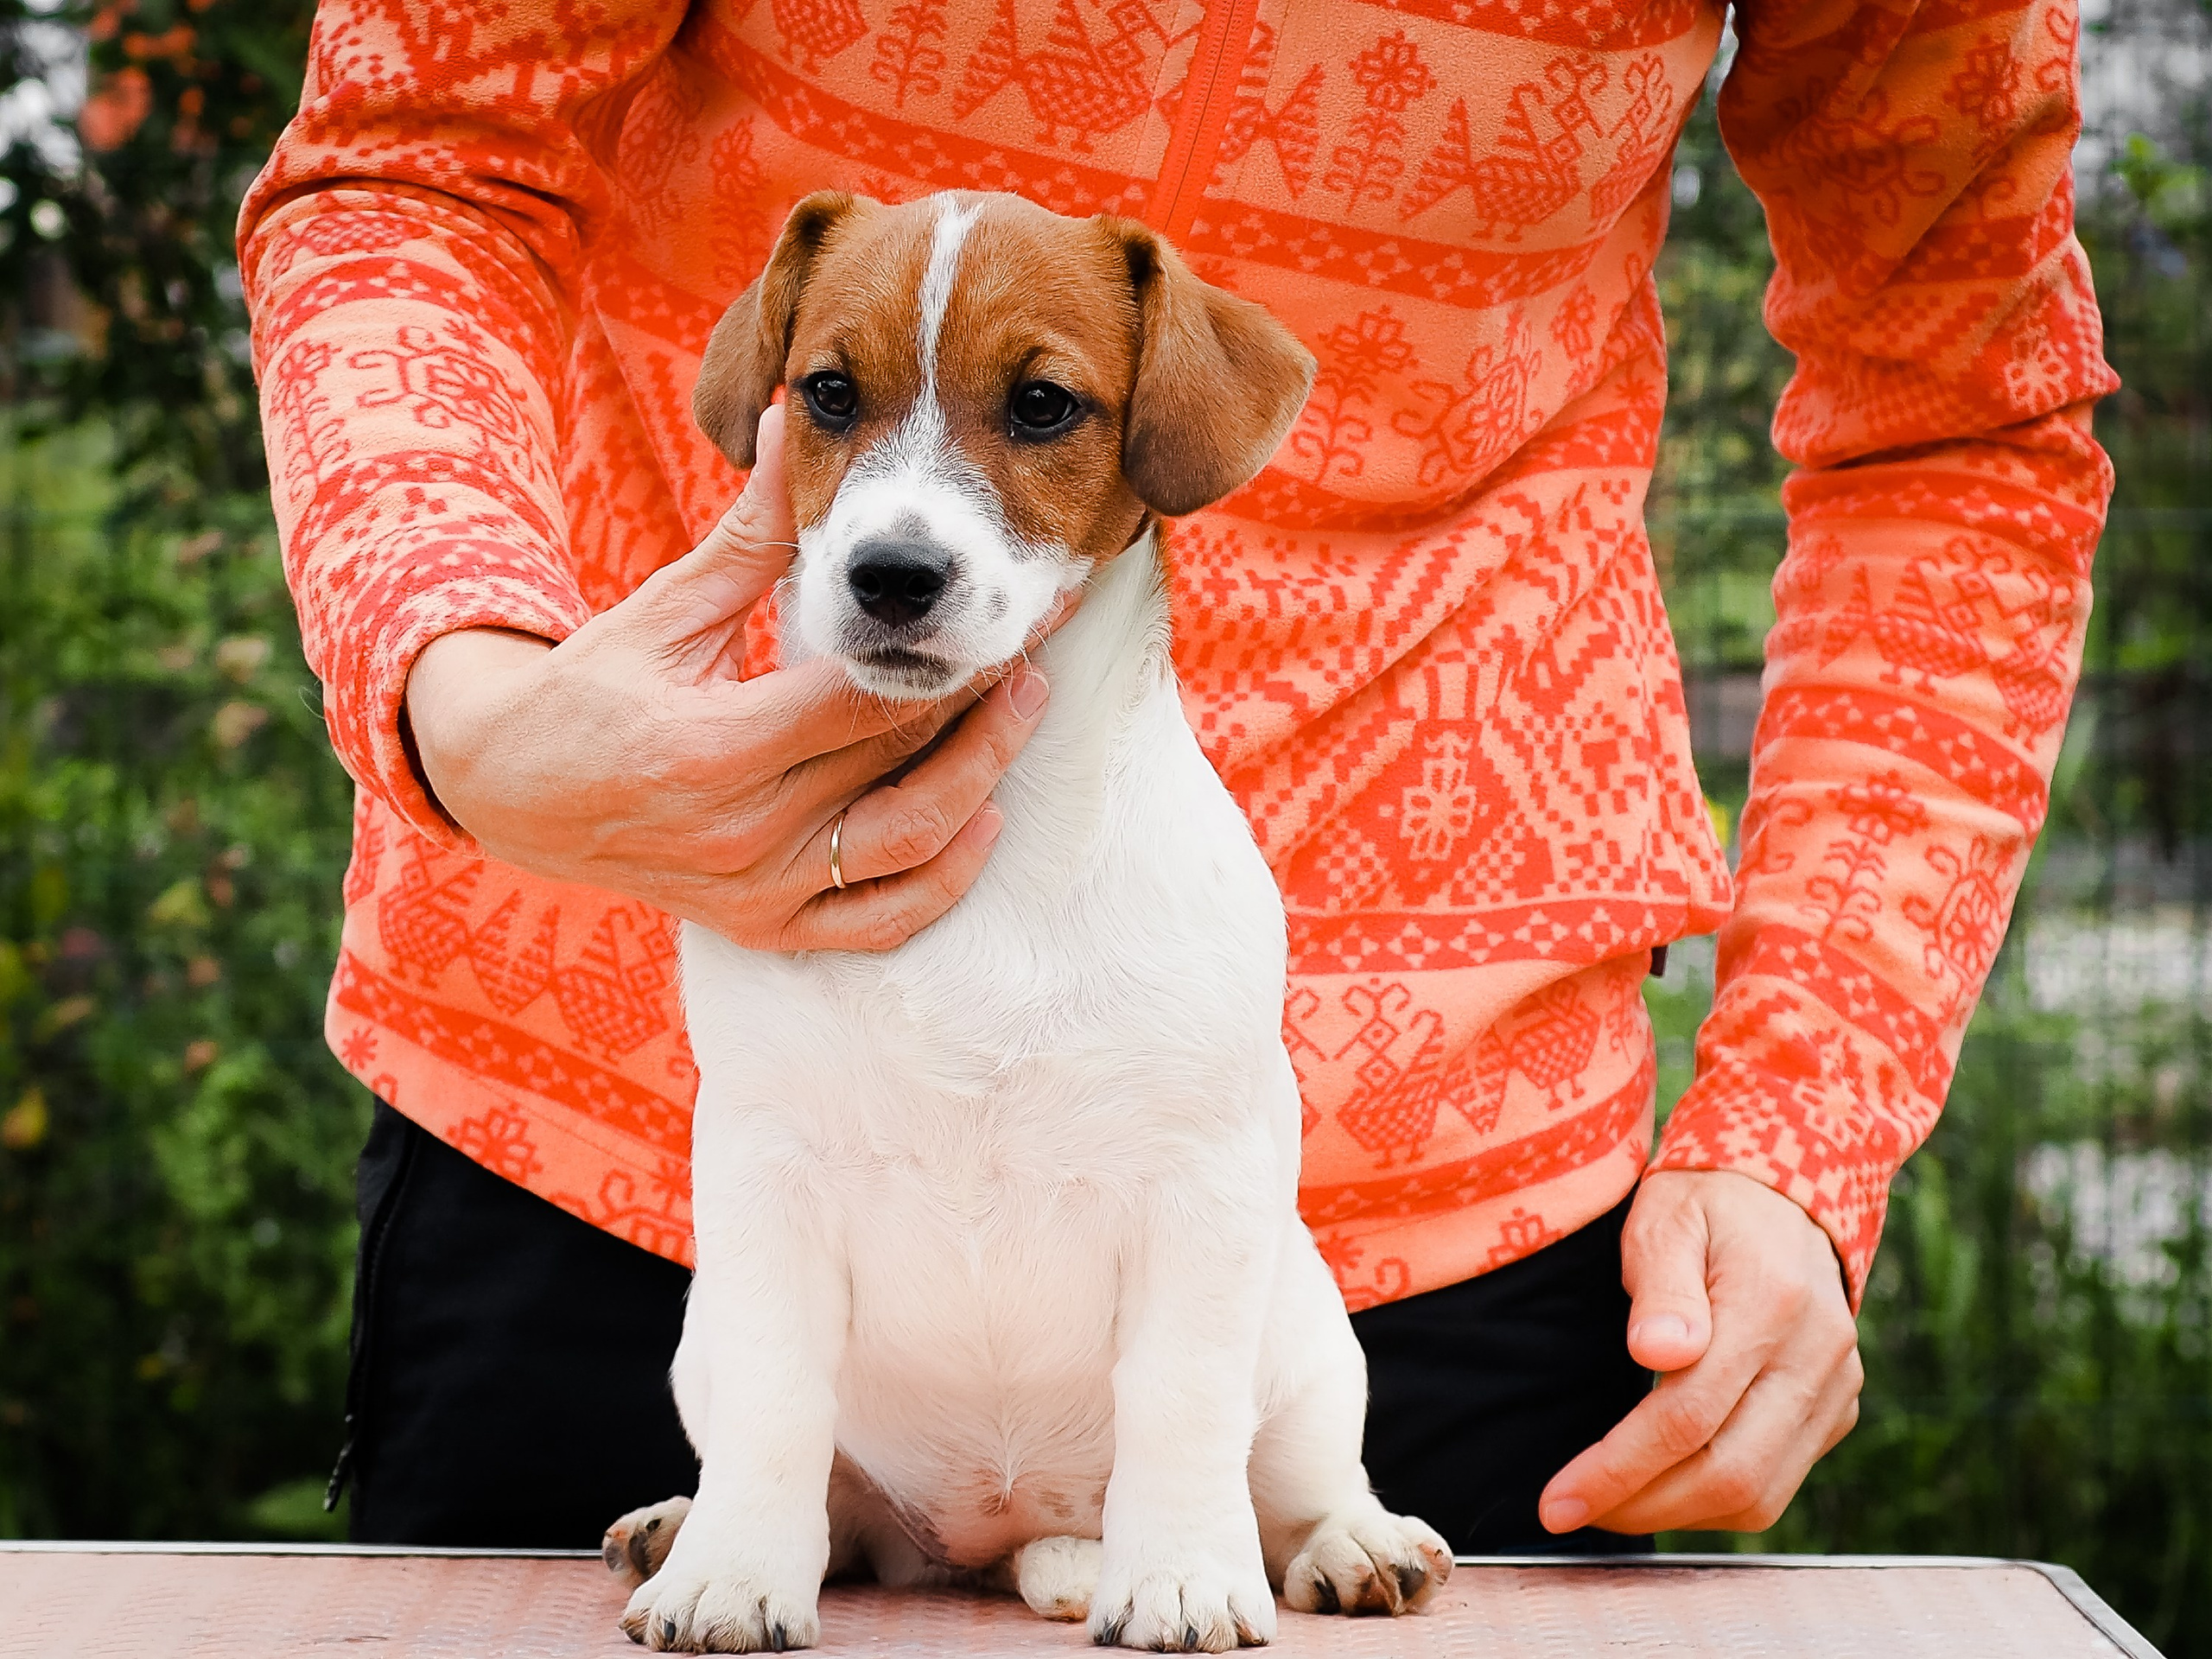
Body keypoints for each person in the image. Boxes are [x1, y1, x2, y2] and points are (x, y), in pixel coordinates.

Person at [238, 0, 2115, 1555]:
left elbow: (1957, 397)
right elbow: (414, 155)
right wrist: (464, 685)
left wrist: (1802, 1122)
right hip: (640, 1107)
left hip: (1433, 1201)